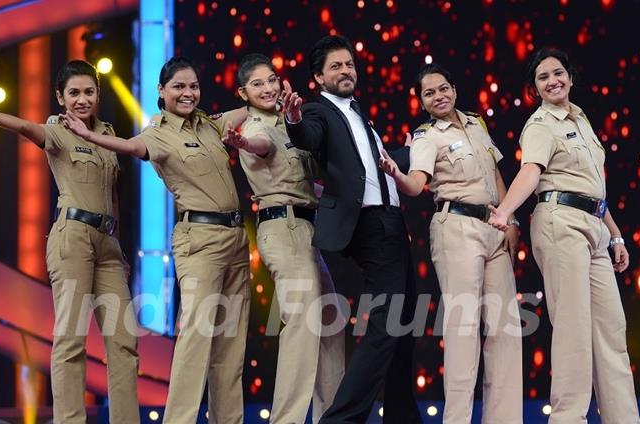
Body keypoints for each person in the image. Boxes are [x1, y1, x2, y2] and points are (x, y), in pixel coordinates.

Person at [61, 56, 250, 424]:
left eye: (193, 86)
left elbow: (241, 112)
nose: (187, 93)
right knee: (197, 339)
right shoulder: (158, 133)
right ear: (161, 91)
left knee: (231, 343)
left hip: (236, 239)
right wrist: (86, 135)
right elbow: (132, 148)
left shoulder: (210, 125)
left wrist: (266, 95)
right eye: (178, 86)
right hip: (199, 240)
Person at [0, 60, 139, 423]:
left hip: (107, 245)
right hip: (73, 239)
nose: (82, 99)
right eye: (74, 93)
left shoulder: (107, 132)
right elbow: (26, 127)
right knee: (71, 338)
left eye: (89, 92)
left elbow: (113, 192)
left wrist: (117, 244)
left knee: (124, 341)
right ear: (60, 97)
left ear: (99, 95)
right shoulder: (58, 129)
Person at [487, 47, 640, 424]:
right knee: (573, 329)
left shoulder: (583, 121)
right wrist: (506, 212)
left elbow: (594, 189)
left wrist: (616, 236)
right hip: (560, 222)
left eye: (558, 73)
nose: (553, 81)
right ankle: (568, 419)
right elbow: (531, 172)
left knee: (611, 330)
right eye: (543, 77)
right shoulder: (541, 124)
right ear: (534, 88)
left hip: (595, 228)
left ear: (570, 78)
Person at [282, 35, 422, 424]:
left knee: (402, 323)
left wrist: (410, 151)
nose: (346, 71)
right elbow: (308, 138)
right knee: (386, 324)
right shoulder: (317, 111)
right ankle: (340, 419)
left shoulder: (359, 114)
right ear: (318, 77)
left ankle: (402, 416)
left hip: (393, 222)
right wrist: (293, 120)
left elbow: (374, 166)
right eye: (336, 66)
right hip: (371, 225)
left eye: (349, 64)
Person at [381, 63, 523, 423]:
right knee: (464, 330)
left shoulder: (477, 123)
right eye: (429, 93)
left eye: (443, 88)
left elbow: (495, 172)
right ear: (422, 103)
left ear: (454, 90)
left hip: (493, 225)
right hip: (456, 226)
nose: (438, 96)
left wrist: (511, 219)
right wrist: (396, 173)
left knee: (506, 330)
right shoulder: (428, 136)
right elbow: (416, 184)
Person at [223, 52, 345, 423]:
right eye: (257, 83)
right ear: (243, 92)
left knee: (331, 323)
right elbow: (262, 145)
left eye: (271, 79)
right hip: (284, 229)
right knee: (303, 325)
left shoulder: (292, 123)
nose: (267, 87)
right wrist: (243, 145)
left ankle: (332, 416)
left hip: (308, 230)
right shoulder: (255, 128)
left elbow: (309, 184)